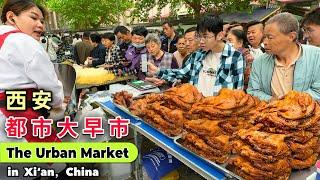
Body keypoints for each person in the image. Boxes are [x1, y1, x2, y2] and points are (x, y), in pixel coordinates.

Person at [0, 0, 65, 177]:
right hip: (21, 120)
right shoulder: (22, 41)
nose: (40, 25)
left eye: (42, 21)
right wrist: (60, 102)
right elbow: (51, 90)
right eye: (33, 17)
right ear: (11, 17)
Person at [149, 15, 245, 97]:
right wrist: (158, 71)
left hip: (218, 111)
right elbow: (182, 73)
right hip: (197, 108)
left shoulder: (235, 57)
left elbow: (238, 93)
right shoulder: (198, 55)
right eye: (199, 36)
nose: (201, 41)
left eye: (205, 36)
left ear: (219, 35)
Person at [247, 13, 320, 101]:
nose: (265, 42)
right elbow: (253, 91)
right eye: (264, 37)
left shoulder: (316, 57)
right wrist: (270, 100)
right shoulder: (259, 62)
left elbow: (317, 91)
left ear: (291, 36)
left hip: (306, 113)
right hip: (270, 113)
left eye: (270, 37)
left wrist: (290, 102)